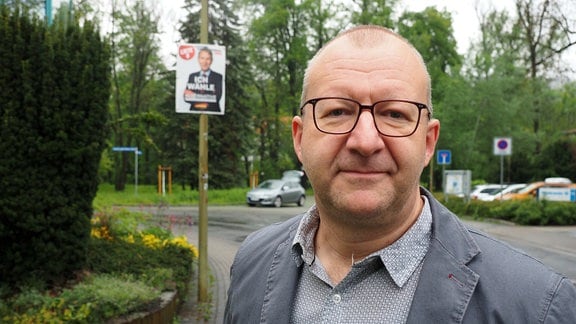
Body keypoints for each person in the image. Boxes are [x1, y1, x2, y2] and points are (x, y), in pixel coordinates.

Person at [224, 25, 576, 323]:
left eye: (394, 114)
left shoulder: (538, 306)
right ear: (300, 139)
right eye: (337, 112)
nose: (365, 141)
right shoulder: (252, 261)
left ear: (427, 142)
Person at [183, 46, 223, 113]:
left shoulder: (218, 77)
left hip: (213, 112)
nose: (205, 62)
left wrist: (194, 96)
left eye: (208, 59)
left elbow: (216, 97)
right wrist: (207, 97)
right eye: (202, 58)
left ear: (211, 61)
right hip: (194, 112)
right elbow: (186, 97)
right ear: (198, 59)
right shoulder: (192, 76)